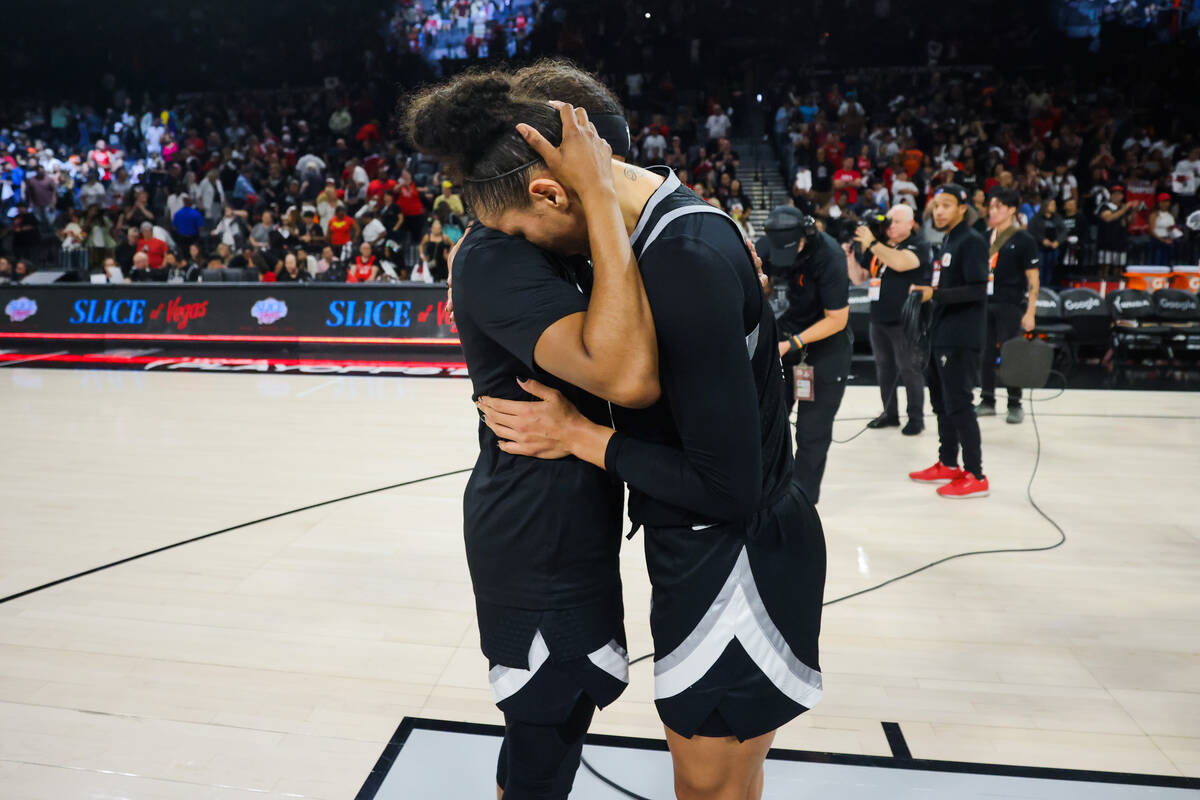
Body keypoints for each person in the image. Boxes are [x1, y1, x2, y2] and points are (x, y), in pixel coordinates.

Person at [414, 68, 824, 800]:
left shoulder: (680, 255)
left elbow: (725, 484)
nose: (508, 245)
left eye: (515, 231)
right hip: (710, 547)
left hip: (732, 560)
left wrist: (582, 436)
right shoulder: (676, 229)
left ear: (549, 193)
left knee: (710, 790)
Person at [765, 206, 851, 505]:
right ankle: (771, 491)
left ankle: (801, 502)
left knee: (811, 433)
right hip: (783, 346)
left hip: (824, 349)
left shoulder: (830, 257)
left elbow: (837, 318)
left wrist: (794, 343)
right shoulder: (769, 247)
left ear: (806, 235)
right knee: (770, 422)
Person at [909, 184, 990, 499]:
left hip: (961, 336)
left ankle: (976, 474)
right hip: (941, 334)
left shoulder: (971, 241)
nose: (939, 211)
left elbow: (977, 289)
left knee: (959, 404)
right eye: (935, 205)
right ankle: (948, 462)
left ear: (961, 208)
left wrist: (935, 294)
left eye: (946, 205)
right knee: (942, 403)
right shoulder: (948, 241)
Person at [845, 204, 931, 435]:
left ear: (910, 224)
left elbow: (900, 263)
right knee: (884, 368)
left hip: (904, 319)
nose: (890, 225)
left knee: (909, 368)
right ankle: (890, 413)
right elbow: (859, 278)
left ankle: (916, 417)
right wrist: (851, 258)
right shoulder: (879, 247)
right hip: (878, 318)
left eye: (896, 222)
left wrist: (873, 243)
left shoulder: (918, 245)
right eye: (889, 221)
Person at [976, 187, 1040, 424]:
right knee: (985, 354)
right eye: (991, 207)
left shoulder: (1023, 239)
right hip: (985, 303)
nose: (993, 211)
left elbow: (1034, 278)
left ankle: (1015, 403)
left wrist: (1031, 311)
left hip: (1011, 304)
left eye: (998, 207)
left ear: (1012, 210)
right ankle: (987, 400)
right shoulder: (983, 237)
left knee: (1012, 354)